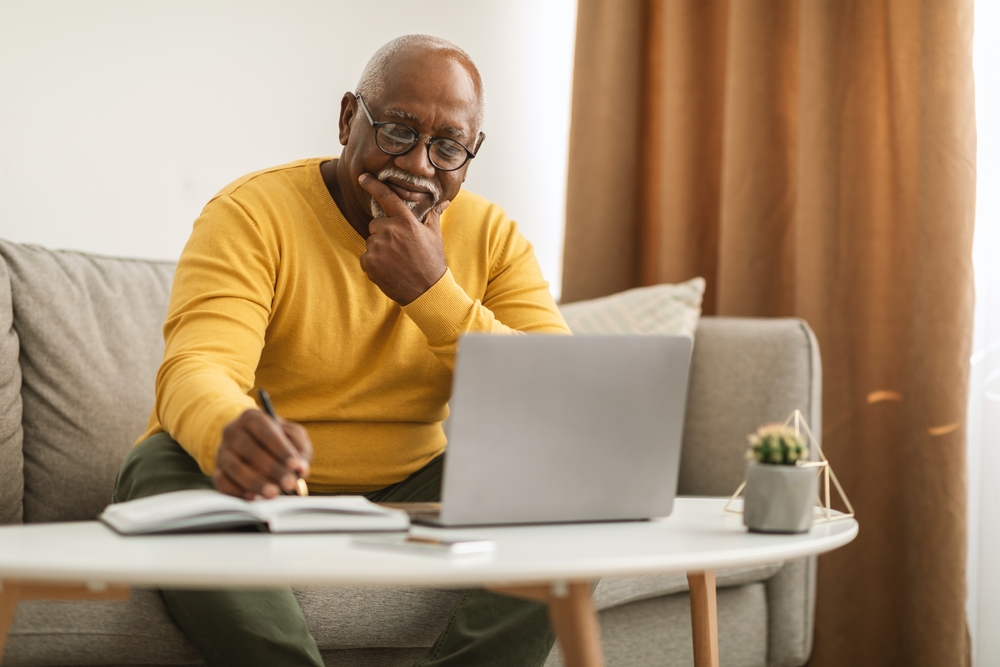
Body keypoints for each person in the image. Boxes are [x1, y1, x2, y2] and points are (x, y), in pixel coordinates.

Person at [112, 34, 570, 667]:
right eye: (398, 131)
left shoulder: (491, 235)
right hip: (252, 479)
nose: (417, 166)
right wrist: (233, 428)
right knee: (164, 466)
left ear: (471, 154)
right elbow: (198, 367)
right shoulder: (251, 213)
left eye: (448, 146)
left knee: (565, 486)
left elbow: (563, 395)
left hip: (414, 482)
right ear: (349, 118)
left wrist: (431, 293)